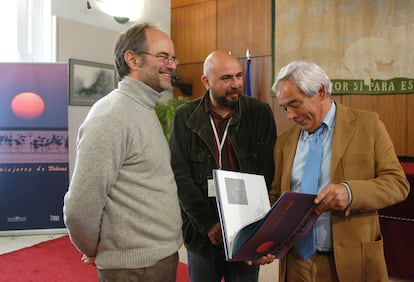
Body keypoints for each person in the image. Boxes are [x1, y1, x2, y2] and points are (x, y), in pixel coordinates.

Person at [269, 60, 410, 281]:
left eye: (295, 104)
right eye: (284, 107)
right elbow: (276, 197)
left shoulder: (368, 125)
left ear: (321, 91)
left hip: (351, 262)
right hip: (296, 264)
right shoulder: (284, 143)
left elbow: (397, 184)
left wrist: (350, 192)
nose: (290, 115)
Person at [63, 22, 183, 282]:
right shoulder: (112, 116)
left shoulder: (143, 108)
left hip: (156, 258)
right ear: (132, 59)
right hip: (135, 268)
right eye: (163, 56)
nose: (172, 65)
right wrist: (96, 248)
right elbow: (80, 206)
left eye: (173, 58)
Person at [169, 50, 277, 282]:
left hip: (246, 226)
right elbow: (180, 175)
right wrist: (208, 223)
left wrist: (250, 222)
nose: (236, 84)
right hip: (201, 230)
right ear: (206, 81)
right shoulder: (185, 116)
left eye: (239, 76)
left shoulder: (259, 113)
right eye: (226, 78)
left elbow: (266, 170)